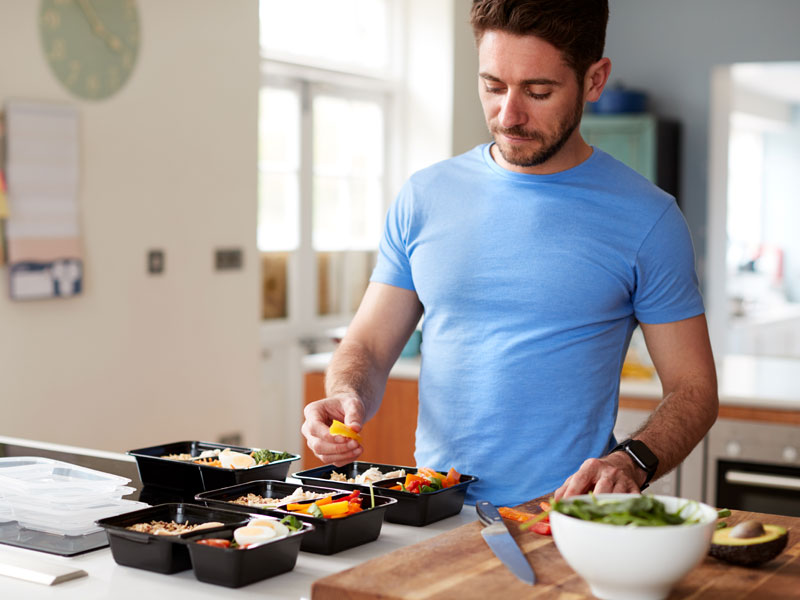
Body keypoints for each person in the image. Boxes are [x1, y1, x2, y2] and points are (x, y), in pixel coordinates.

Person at [301, 0, 718, 506]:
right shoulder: (425, 196)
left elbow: (693, 390)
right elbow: (366, 346)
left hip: (564, 516)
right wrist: (348, 393)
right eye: (493, 86)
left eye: (538, 91)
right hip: (433, 508)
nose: (508, 114)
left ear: (594, 80)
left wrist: (631, 460)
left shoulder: (648, 220)